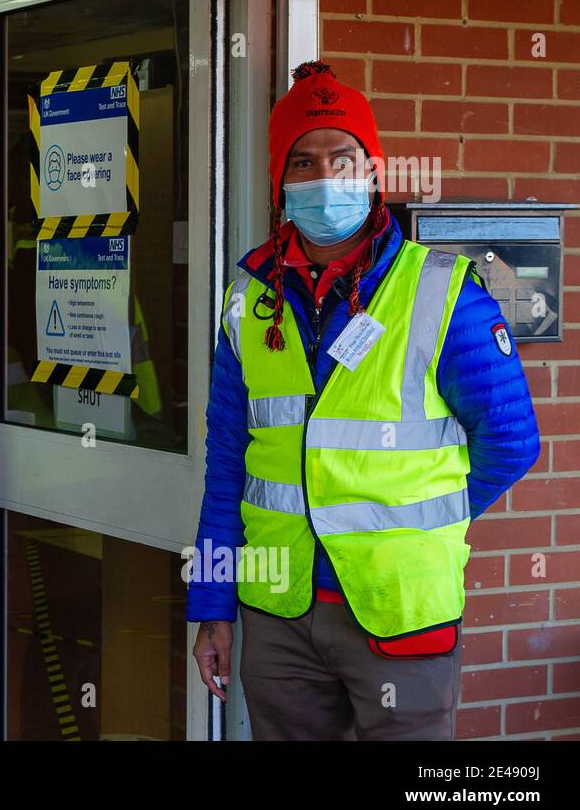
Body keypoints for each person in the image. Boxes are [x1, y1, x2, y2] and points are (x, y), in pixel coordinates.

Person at [187, 60, 540, 740]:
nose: (325, 178)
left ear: (373, 171)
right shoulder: (247, 298)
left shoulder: (443, 293)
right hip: (277, 615)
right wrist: (213, 604)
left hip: (399, 614)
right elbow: (227, 461)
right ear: (280, 183)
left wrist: (417, 526)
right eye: (304, 162)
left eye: (343, 158)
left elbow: (512, 442)